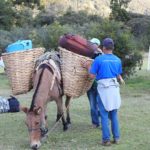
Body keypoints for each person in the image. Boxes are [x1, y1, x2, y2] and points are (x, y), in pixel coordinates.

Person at [83, 38, 125, 146]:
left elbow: (92, 75)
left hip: (104, 90)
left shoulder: (99, 60)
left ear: (103, 48)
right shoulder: (117, 60)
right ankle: (116, 138)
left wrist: (88, 67)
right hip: (114, 89)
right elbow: (118, 75)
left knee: (104, 115)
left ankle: (106, 140)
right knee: (114, 114)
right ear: (112, 48)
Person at [87, 38, 102, 128]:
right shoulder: (87, 54)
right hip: (90, 85)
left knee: (99, 104)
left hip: (99, 84)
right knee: (93, 105)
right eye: (90, 44)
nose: (91, 45)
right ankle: (95, 123)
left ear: (97, 45)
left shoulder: (101, 56)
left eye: (93, 44)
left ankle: (102, 120)